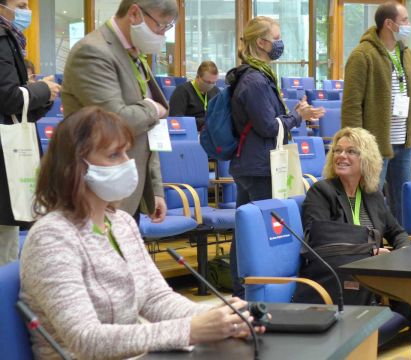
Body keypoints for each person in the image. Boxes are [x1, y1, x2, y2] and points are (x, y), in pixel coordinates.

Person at [20, 106, 264, 360]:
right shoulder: (51, 238)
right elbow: (86, 340)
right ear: (76, 167)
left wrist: (221, 319)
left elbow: (155, 299)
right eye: (114, 155)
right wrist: (191, 330)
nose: (128, 163)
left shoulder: (121, 222)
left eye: (127, 152)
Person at [294, 127, 411, 359]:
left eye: (351, 151)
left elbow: (398, 232)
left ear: (367, 159)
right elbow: (324, 238)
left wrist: (401, 253)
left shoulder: (372, 195)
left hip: (375, 282)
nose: (341, 155)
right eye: (337, 150)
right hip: (338, 283)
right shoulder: (321, 192)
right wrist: (372, 251)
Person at [227, 16, 325, 298]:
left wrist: (294, 113)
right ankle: (251, 288)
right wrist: (298, 115)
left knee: (246, 229)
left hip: (255, 162)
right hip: (258, 166)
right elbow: (268, 126)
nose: (280, 43)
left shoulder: (259, 75)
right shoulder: (255, 81)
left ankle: (243, 288)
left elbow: (268, 121)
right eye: (276, 37)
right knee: (255, 230)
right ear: (261, 42)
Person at [62, 0, 177, 225]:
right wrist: (152, 108)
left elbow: (147, 129)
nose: (162, 34)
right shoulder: (93, 51)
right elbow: (117, 119)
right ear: (134, 13)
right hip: (96, 191)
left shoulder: (133, 53)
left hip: (127, 190)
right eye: (160, 26)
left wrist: (154, 190)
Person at [341, 1, 411, 225]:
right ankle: (369, 248)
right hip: (374, 146)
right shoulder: (362, 55)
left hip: (404, 145)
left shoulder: (406, 54)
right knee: (371, 201)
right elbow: (351, 105)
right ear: (389, 24)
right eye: (405, 20)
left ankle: (402, 247)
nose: (409, 24)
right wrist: (355, 145)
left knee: (404, 202)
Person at [0, 0, 60, 266]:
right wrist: (44, 90)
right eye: (21, 4)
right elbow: (9, 99)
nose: (27, 11)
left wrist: (38, 96)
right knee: (4, 246)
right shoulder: (2, 38)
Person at [169, 60, 220, 131]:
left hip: (211, 132)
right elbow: (176, 120)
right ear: (198, 77)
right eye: (207, 82)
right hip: (190, 132)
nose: (210, 85)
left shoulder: (216, 91)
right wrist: (205, 122)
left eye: (213, 82)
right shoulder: (182, 91)